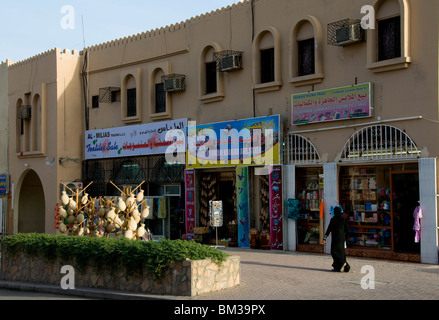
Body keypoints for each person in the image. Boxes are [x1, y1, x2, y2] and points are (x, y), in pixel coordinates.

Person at [322, 206, 350, 272]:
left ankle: (341, 265)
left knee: (334, 252)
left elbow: (328, 229)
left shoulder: (333, 219)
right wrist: (346, 237)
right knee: (341, 252)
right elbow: (346, 229)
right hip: (342, 238)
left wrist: (324, 238)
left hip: (335, 238)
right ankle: (345, 266)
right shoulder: (343, 219)